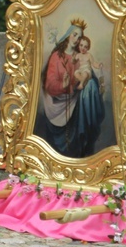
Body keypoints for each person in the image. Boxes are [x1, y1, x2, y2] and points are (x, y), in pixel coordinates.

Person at [38, 18, 106, 158]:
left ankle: (86, 136)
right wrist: (63, 85)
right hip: (60, 102)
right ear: (68, 34)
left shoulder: (81, 56)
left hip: (78, 99)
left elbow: (90, 75)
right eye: (74, 34)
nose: (76, 39)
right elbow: (49, 84)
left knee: (91, 86)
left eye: (79, 37)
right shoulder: (57, 56)